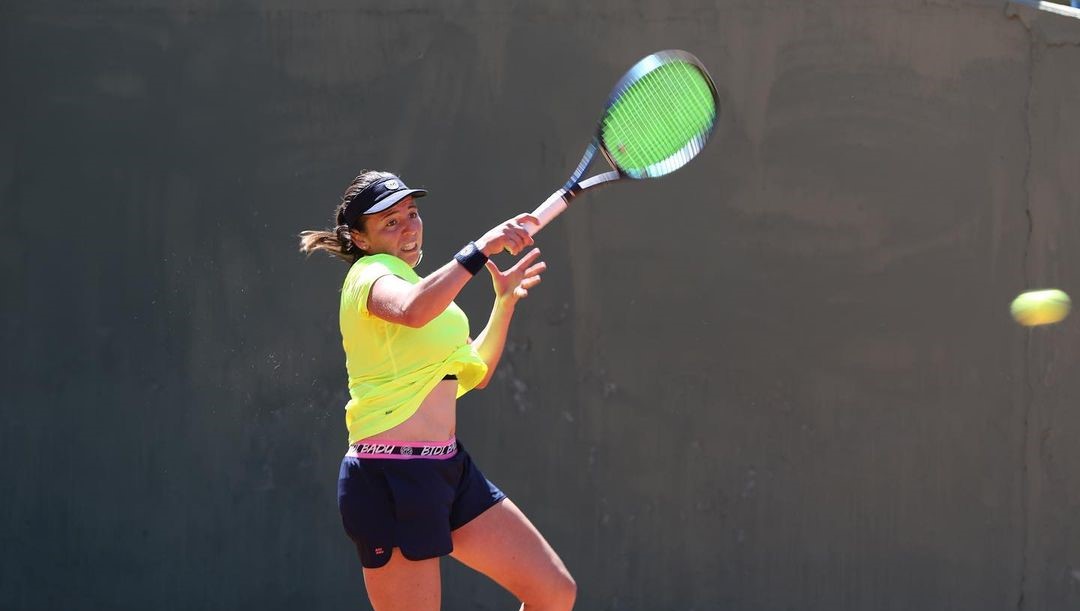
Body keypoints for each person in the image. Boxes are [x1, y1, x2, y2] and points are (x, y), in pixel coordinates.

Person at [299, 170, 576, 611]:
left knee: (553, 592)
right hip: (389, 478)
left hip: (449, 470)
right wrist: (481, 247)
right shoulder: (369, 274)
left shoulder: (429, 294)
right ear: (360, 239)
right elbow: (412, 310)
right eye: (390, 221)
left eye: (411, 213)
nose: (409, 227)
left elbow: (478, 371)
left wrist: (502, 306)